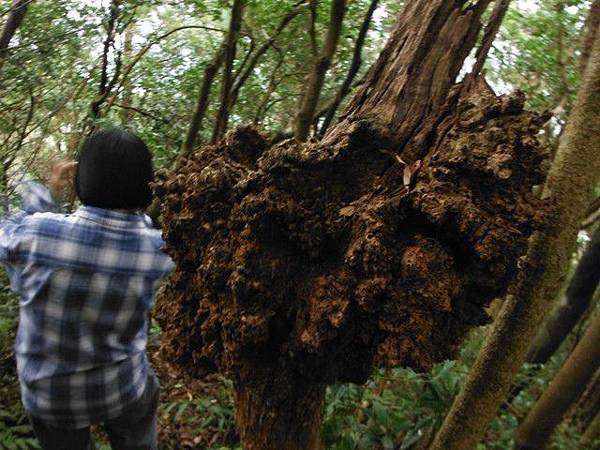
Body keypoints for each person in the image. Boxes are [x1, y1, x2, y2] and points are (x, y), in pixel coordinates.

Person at [0, 128, 174, 450]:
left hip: (50, 395)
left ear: (83, 182)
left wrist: (47, 190)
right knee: (140, 417)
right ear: (147, 186)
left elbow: (7, 233)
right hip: (123, 388)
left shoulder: (40, 233)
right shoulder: (159, 251)